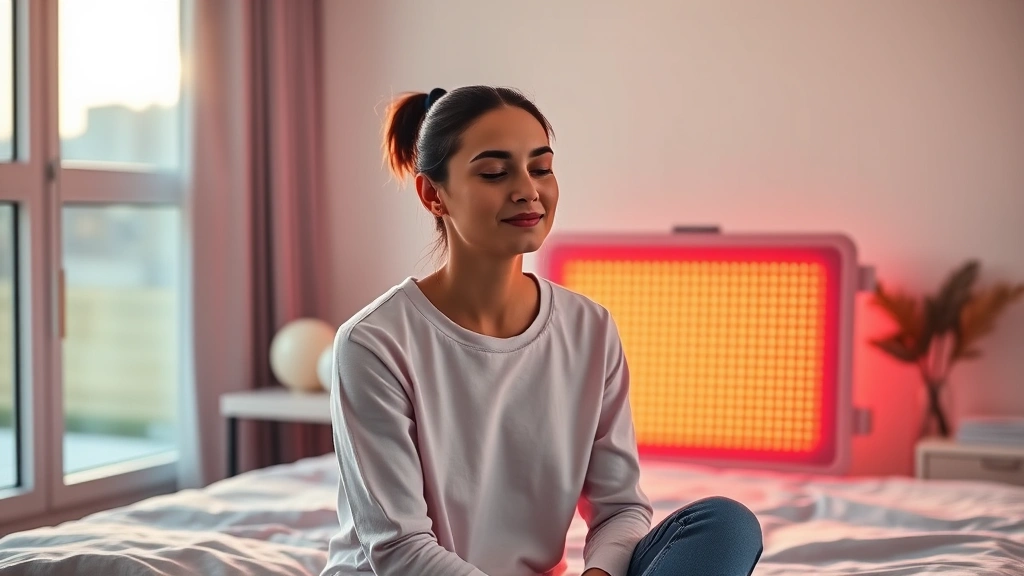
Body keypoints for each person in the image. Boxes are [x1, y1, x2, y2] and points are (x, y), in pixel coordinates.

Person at [321, 85, 763, 576]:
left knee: (726, 525)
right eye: (494, 172)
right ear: (433, 195)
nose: (527, 190)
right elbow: (401, 550)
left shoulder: (589, 328)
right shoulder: (373, 343)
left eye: (541, 167)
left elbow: (620, 509)